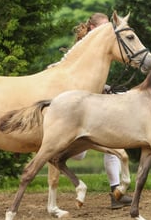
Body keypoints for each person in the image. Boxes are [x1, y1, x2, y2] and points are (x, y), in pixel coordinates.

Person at [48, 13, 132, 209]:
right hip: (74, 118)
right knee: (71, 155)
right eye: (104, 27)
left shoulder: (106, 50)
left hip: (91, 113)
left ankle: (115, 193)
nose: (108, 31)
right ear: (93, 28)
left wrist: (107, 88)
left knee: (112, 147)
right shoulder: (82, 50)